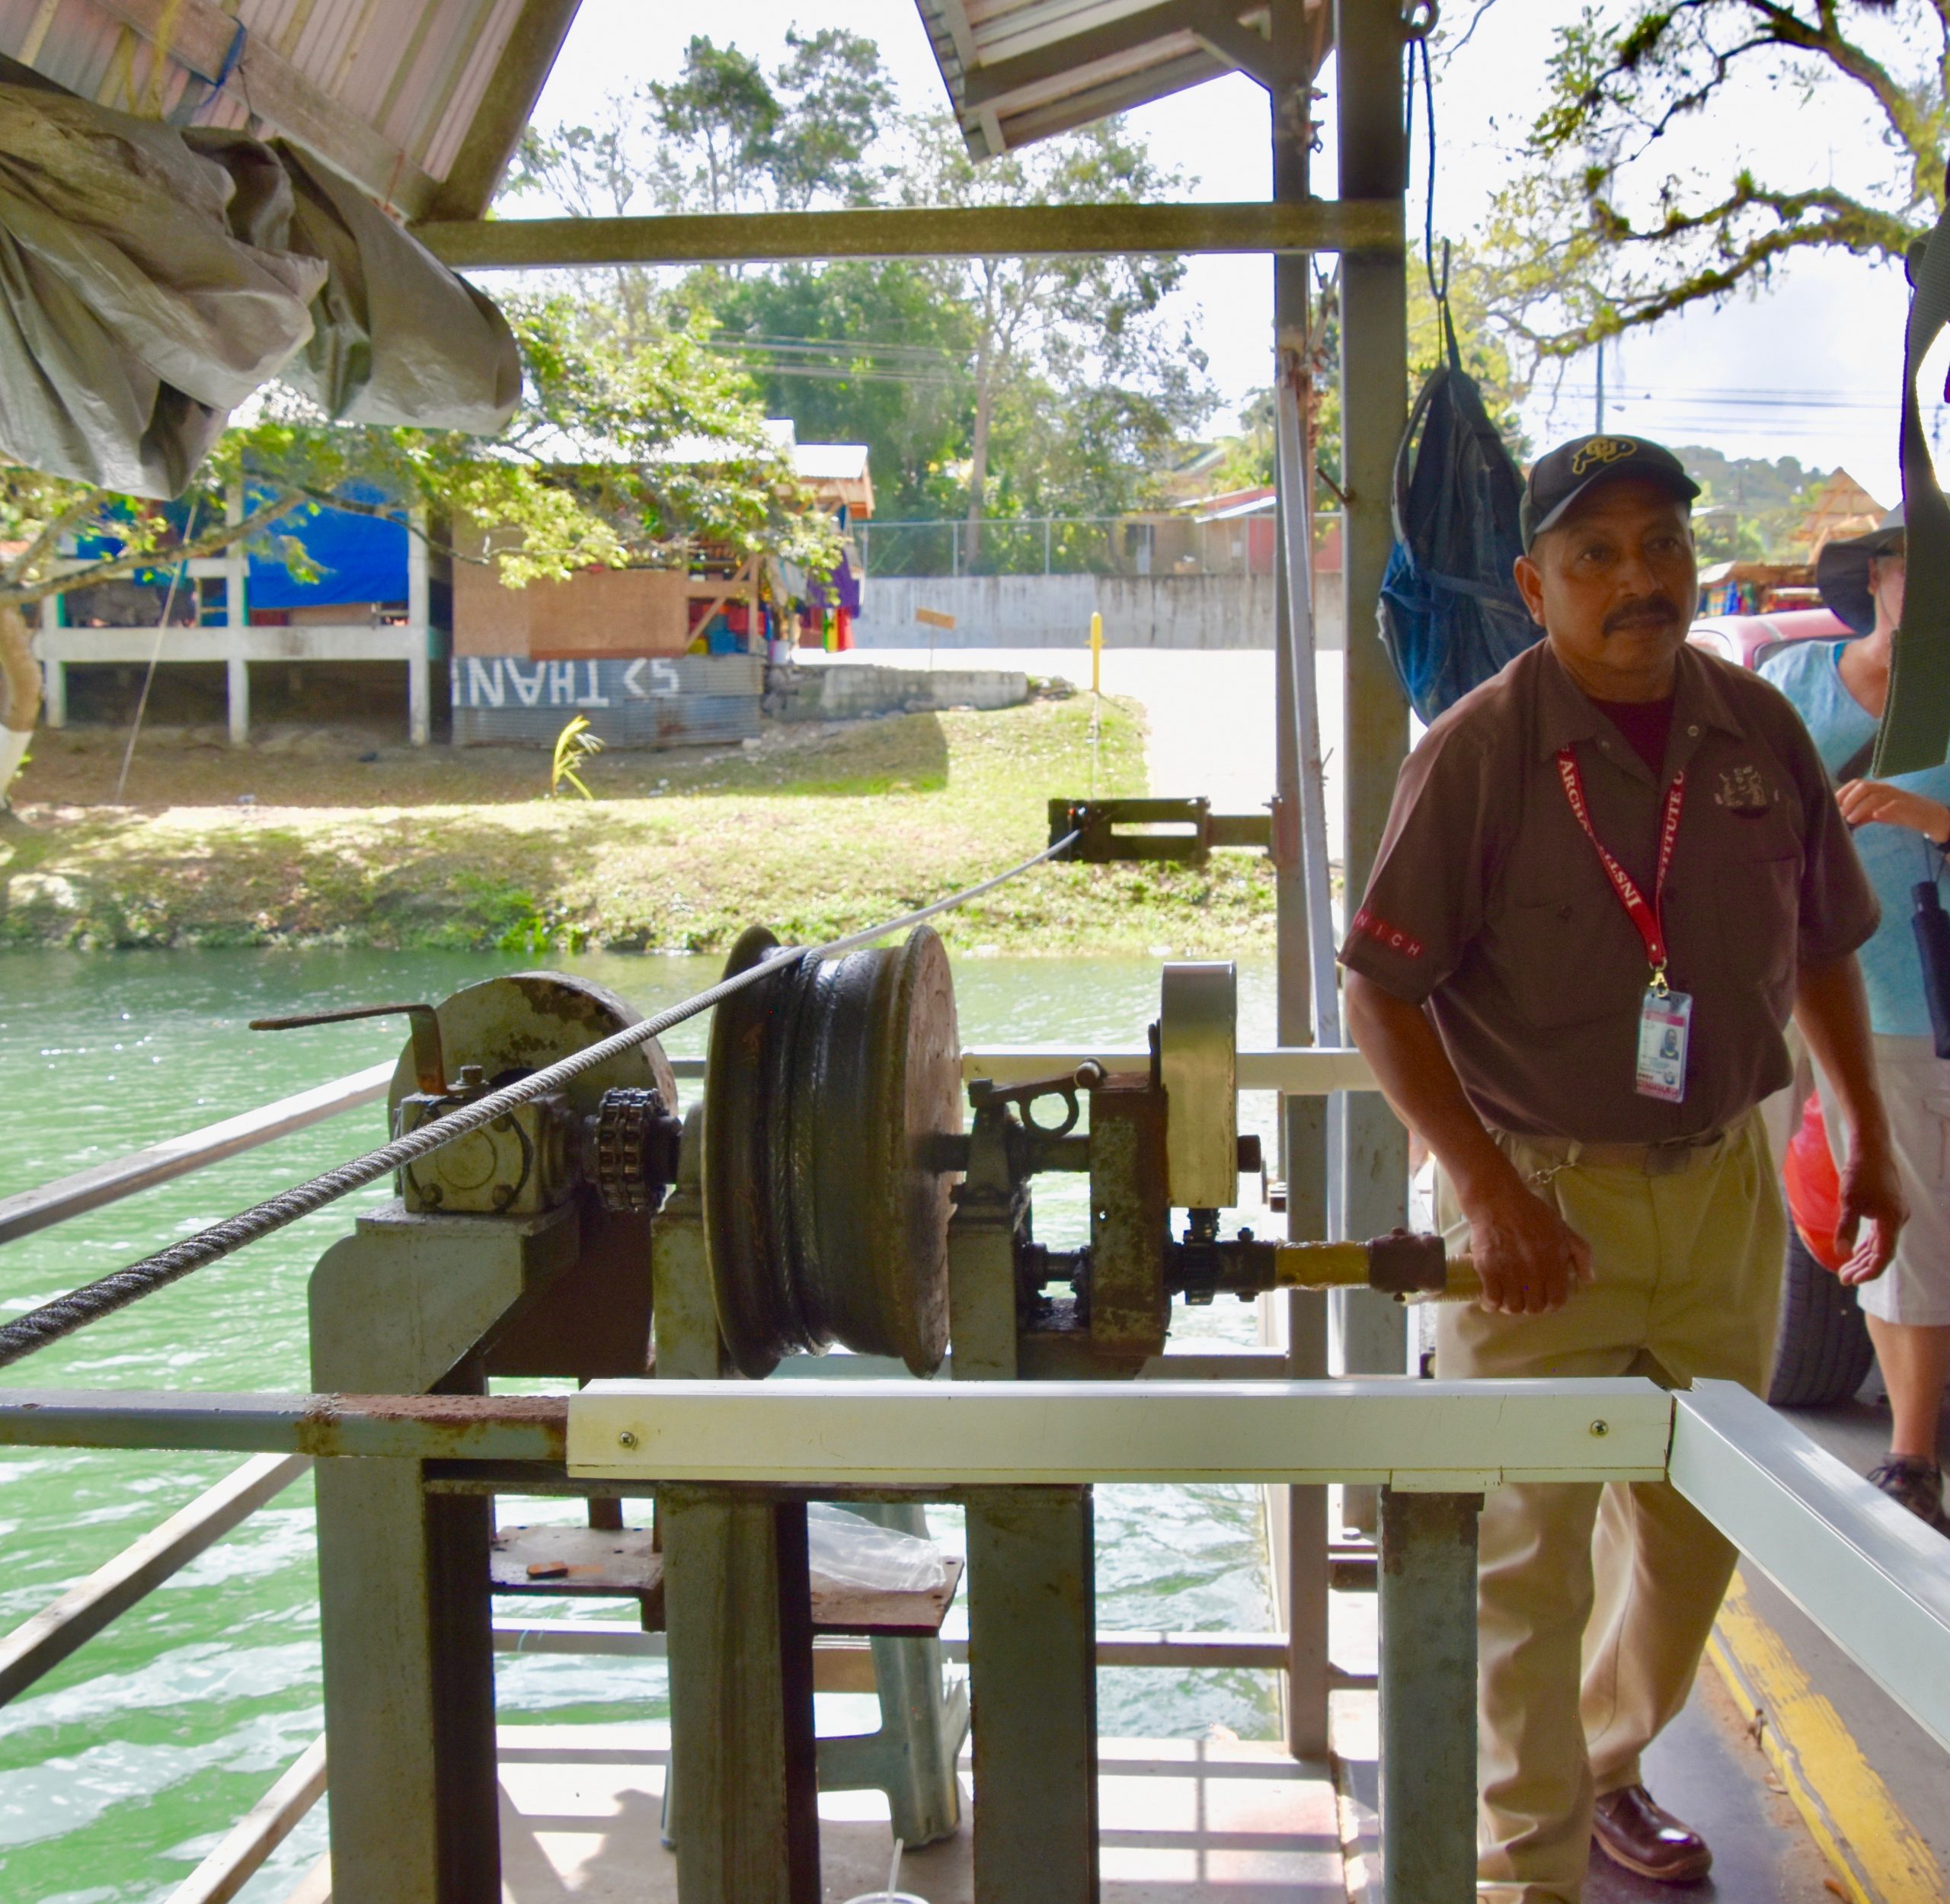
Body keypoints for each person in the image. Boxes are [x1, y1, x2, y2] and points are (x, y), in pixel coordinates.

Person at [1339, 434, 1905, 1902]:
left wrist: (1865, 1135)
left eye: (1660, 546)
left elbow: (1826, 943)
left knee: (1699, 1528)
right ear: (1534, 585)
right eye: (1596, 556)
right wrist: (1486, 1190)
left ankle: (1603, 1769)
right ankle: (1523, 1870)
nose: (1638, 581)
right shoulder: (1476, 749)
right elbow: (1380, 994)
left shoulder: (1753, 729)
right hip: (1538, 1202)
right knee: (1526, 1564)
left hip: (1720, 1194)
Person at [1762, 508, 1950, 1528]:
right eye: (1920, 569)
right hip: (1850, 996)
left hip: (1936, 989)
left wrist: (1926, 816)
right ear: (1875, 577)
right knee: (1900, 1223)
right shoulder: (1796, 684)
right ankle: (1913, 1457)